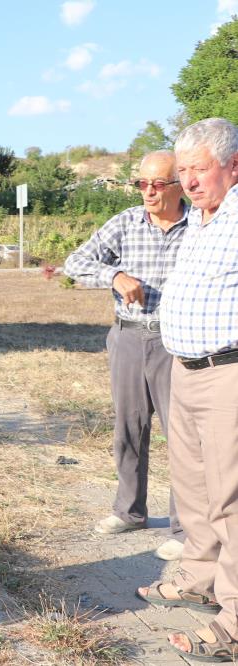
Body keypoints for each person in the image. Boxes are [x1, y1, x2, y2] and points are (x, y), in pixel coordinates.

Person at [135, 118, 238, 662]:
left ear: (234, 166)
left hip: (229, 372)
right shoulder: (202, 219)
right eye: (185, 173)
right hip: (187, 369)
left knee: (231, 497)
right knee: (194, 488)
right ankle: (199, 578)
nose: (190, 182)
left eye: (200, 170)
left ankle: (235, 621)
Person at [64, 150, 188, 561]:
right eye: (142, 183)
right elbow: (75, 262)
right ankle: (129, 512)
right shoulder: (125, 223)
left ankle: (185, 529)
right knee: (129, 429)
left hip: (179, 344)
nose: (148, 192)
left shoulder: (202, 226)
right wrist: (114, 276)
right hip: (129, 338)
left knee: (184, 438)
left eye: (158, 184)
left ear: (179, 184)